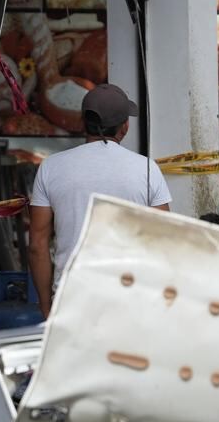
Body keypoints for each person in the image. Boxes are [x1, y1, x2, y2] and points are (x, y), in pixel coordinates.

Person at [29, 84, 171, 317]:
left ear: (83, 122)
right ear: (124, 126)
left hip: (71, 298)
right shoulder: (147, 169)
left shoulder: (50, 167)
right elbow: (163, 239)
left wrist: (46, 305)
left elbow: (37, 245)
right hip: (130, 298)